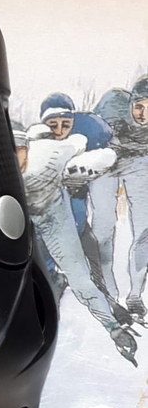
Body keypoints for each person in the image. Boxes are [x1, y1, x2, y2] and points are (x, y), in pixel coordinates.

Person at [23, 121, 138, 365]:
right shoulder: (57, 152)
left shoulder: (50, 154)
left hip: (48, 218)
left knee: (74, 274)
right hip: (45, 217)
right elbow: (84, 145)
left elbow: (86, 148)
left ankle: (110, 321)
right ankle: (111, 322)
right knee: (75, 276)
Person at [40, 94, 119, 307]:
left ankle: (106, 296)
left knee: (88, 247)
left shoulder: (81, 146)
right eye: (53, 125)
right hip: (48, 220)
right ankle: (52, 281)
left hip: (77, 217)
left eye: (65, 124)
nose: (59, 130)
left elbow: (104, 159)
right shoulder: (37, 148)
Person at [94, 79, 148, 322]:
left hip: (138, 162)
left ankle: (135, 294)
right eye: (139, 106)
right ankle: (108, 292)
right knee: (104, 223)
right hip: (108, 160)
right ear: (130, 103)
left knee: (145, 228)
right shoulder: (112, 104)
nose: (143, 114)